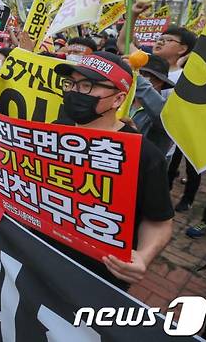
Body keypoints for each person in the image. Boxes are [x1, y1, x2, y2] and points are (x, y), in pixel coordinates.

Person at [43, 51, 174, 290]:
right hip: (45, 256)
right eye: (70, 83)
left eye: (87, 86)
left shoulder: (144, 155)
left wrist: (143, 256)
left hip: (98, 275)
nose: (73, 92)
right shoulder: (54, 131)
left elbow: (159, 222)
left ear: (117, 99)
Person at [130, 54, 175, 155]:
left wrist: (137, 78)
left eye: (143, 74)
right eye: (137, 72)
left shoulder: (165, 110)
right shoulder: (122, 102)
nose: (135, 75)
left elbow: (163, 117)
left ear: (159, 81)